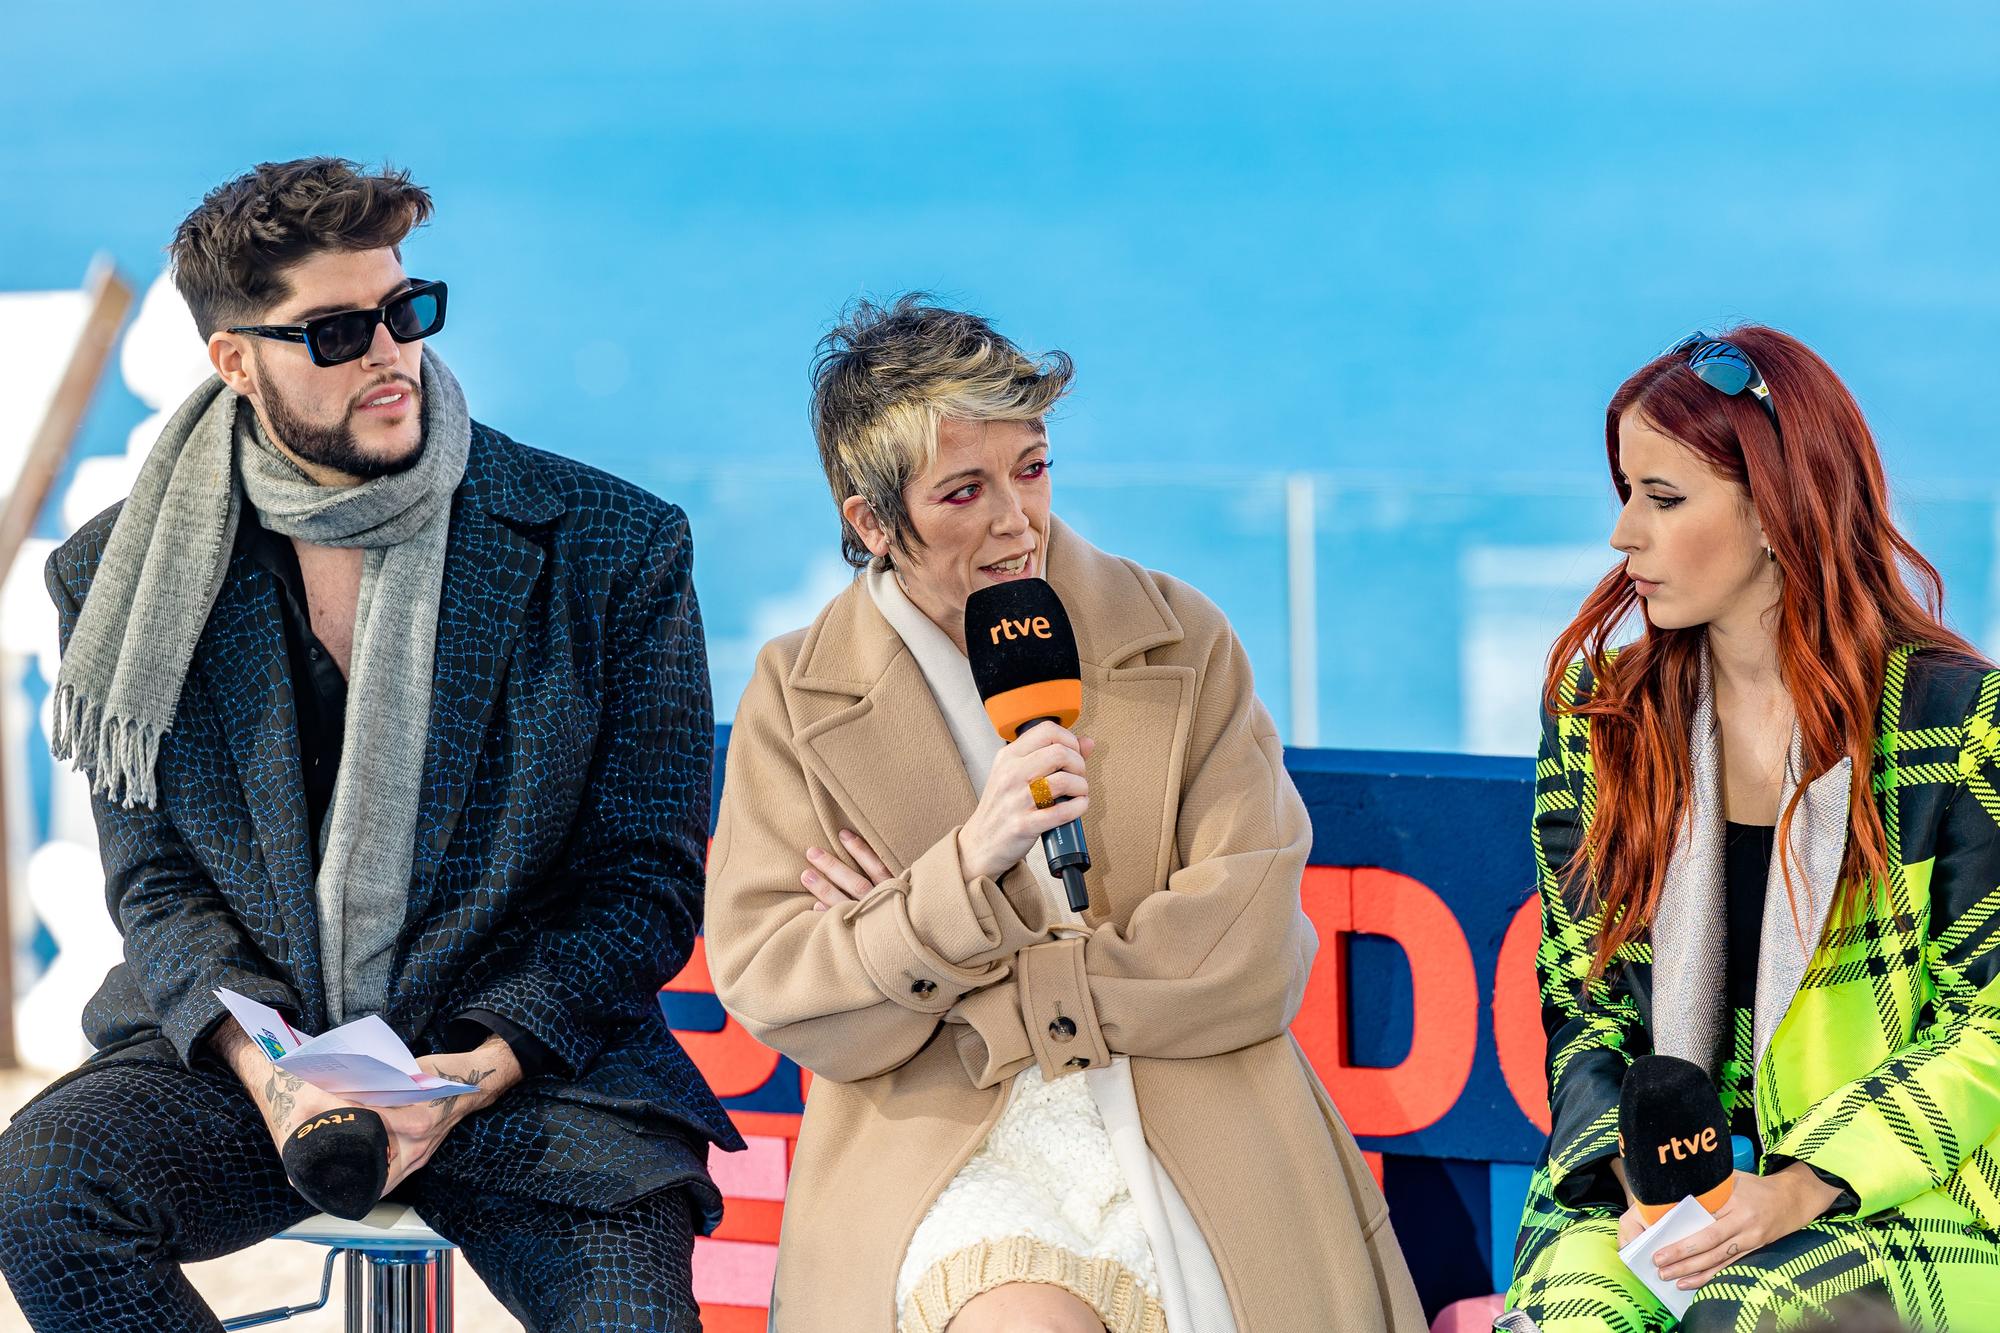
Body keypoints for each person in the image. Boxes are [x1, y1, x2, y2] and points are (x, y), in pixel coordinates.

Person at [0, 157, 739, 1332]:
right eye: (336, 333)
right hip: (257, 1070)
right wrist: (275, 1074)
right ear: (234, 361)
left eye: (405, 310)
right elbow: (157, 882)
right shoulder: (116, 577)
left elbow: (643, 887)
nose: (389, 353)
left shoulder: (614, 546)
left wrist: (478, 1065)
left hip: (530, 1068)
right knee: (43, 1188)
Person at [704, 295, 1425, 1332]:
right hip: (940, 1154)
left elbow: (1249, 949)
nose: (1015, 518)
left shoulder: (1179, 635)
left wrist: (932, 961)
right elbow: (788, 992)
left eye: (1030, 469)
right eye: (963, 490)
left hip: (1196, 1121)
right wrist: (969, 862)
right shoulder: (795, 691)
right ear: (870, 522)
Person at [1500, 327, 2000, 1331]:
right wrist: (1632, 1175)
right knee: (1565, 1319)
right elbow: (1580, 998)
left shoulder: (1954, 718)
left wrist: (1800, 1182)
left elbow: (1982, 1026)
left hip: (1898, 1189)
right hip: (1652, 1187)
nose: (1621, 534)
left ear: (1776, 510)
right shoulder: (1600, 715)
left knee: (1743, 1313)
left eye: (1663, 497)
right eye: (1623, 491)